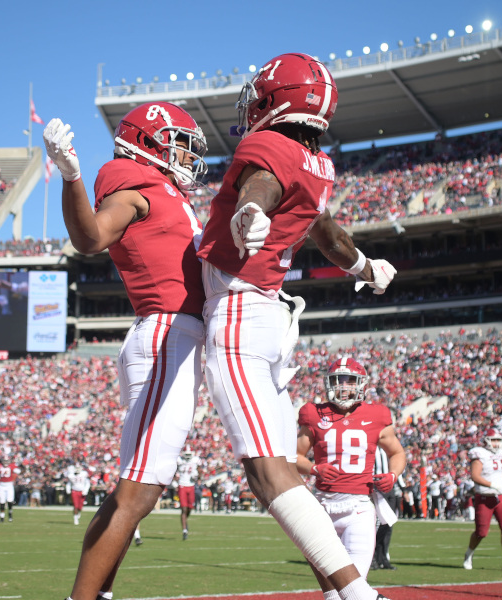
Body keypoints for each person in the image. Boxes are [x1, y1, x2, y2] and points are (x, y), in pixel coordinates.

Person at [196, 52, 397, 600]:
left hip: (239, 313)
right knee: (280, 467)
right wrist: (366, 267)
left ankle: (358, 594)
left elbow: (259, 183)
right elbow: (328, 236)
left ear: (275, 99)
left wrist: (251, 211)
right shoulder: (320, 165)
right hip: (267, 317)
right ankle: (339, 592)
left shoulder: (266, 146)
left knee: (266, 473)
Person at [44, 100, 209, 600]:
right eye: (179, 143)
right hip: (166, 335)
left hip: (175, 337)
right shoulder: (133, 185)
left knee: (134, 491)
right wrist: (71, 175)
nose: (187, 155)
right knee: (139, 490)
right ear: (150, 142)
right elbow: (90, 237)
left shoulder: (167, 192)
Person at [296, 357, 405, 581]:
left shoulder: (377, 415)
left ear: (360, 384)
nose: (344, 386)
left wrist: (393, 475)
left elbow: (398, 453)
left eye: (350, 381)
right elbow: (294, 457)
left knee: (355, 583)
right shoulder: (313, 413)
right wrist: (315, 468)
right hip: (323, 508)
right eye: (339, 380)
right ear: (330, 383)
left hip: (359, 509)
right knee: (332, 588)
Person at [463, 428, 502, 572]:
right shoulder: (479, 454)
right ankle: (469, 554)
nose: (496, 443)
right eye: (493, 440)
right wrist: (492, 485)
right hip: (485, 497)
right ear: (487, 441)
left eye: (498, 440)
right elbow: (475, 476)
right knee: (481, 532)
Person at [175, 448, 202, 540]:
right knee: (184, 508)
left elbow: (200, 472)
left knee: (190, 507)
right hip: (182, 485)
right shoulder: (179, 460)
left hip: (191, 485)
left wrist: (197, 476)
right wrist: (175, 480)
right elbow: (174, 470)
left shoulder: (195, 460)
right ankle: (184, 530)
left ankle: (185, 521)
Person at [0, 457, 20, 523]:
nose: (6, 462)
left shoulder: (12, 466)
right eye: (4, 461)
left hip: (9, 485)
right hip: (1, 485)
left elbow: (18, 471)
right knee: (2, 501)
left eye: (7, 461)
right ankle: (2, 517)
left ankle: (10, 514)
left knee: (10, 501)